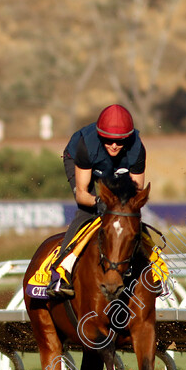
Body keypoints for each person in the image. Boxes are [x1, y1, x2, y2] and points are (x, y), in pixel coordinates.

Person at [46, 104, 146, 298]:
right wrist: (101, 202)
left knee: (129, 215)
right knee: (88, 211)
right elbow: (82, 194)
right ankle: (60, 273)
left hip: (117, 170)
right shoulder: (86, 146)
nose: (114, 145)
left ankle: (154, 269)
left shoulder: (137, 149)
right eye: (108, 141)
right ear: (101, 136)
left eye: (120, 141)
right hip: (80, 161)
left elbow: (136, 195)